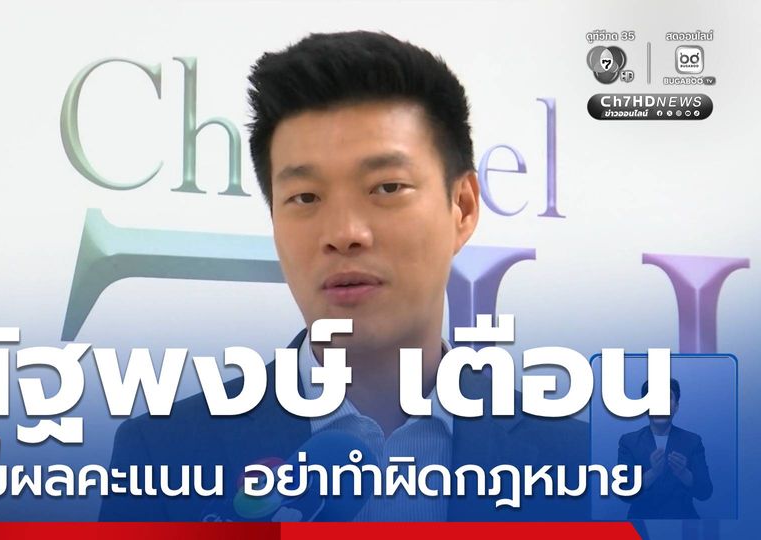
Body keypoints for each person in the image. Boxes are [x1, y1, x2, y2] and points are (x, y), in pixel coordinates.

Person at [100, 30, 588, 522]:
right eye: (305, 197)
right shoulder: (163, 452)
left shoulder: (574, 460)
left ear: (461, 208)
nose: (344, 233)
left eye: (387, 187)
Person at [618, 378, 713, 519]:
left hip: (683, 522)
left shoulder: (693, 441)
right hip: (642, 523)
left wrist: (683, 473)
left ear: (676, 406)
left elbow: (705, 492)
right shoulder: (629, 442)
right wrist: (653, 472)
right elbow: (624, 493)